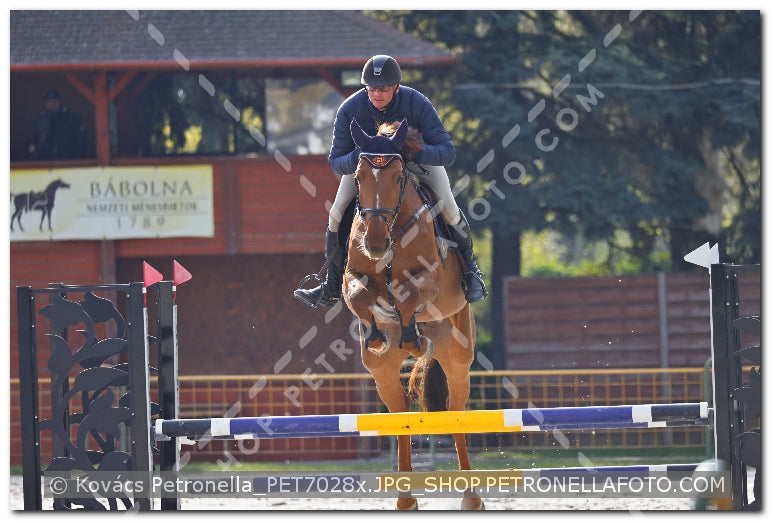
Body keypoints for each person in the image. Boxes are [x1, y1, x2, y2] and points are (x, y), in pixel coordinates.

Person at [294, 55, 487, 310]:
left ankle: (471, 272)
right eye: (372, 88)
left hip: (414, 162)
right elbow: (336, 161)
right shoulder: (350, 109)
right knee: (336, 214)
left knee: (449, 209)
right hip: (368, 170)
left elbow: (447, 152)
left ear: (396, 86)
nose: (377, 94)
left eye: (383, 88)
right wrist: (363, 156)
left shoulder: (417, 103)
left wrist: (413, 151)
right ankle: (331, 284)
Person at [27, 89, 86, 160]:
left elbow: (80, 141)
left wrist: (76, 160)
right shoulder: (39, 120)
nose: (52, 104)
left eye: (55, 101)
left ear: (59, 102)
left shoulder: (71, 119)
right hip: (46, 162)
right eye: (49, 101)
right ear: (45, 103)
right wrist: (31, 144)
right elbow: (33, 138)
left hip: (68, 161)